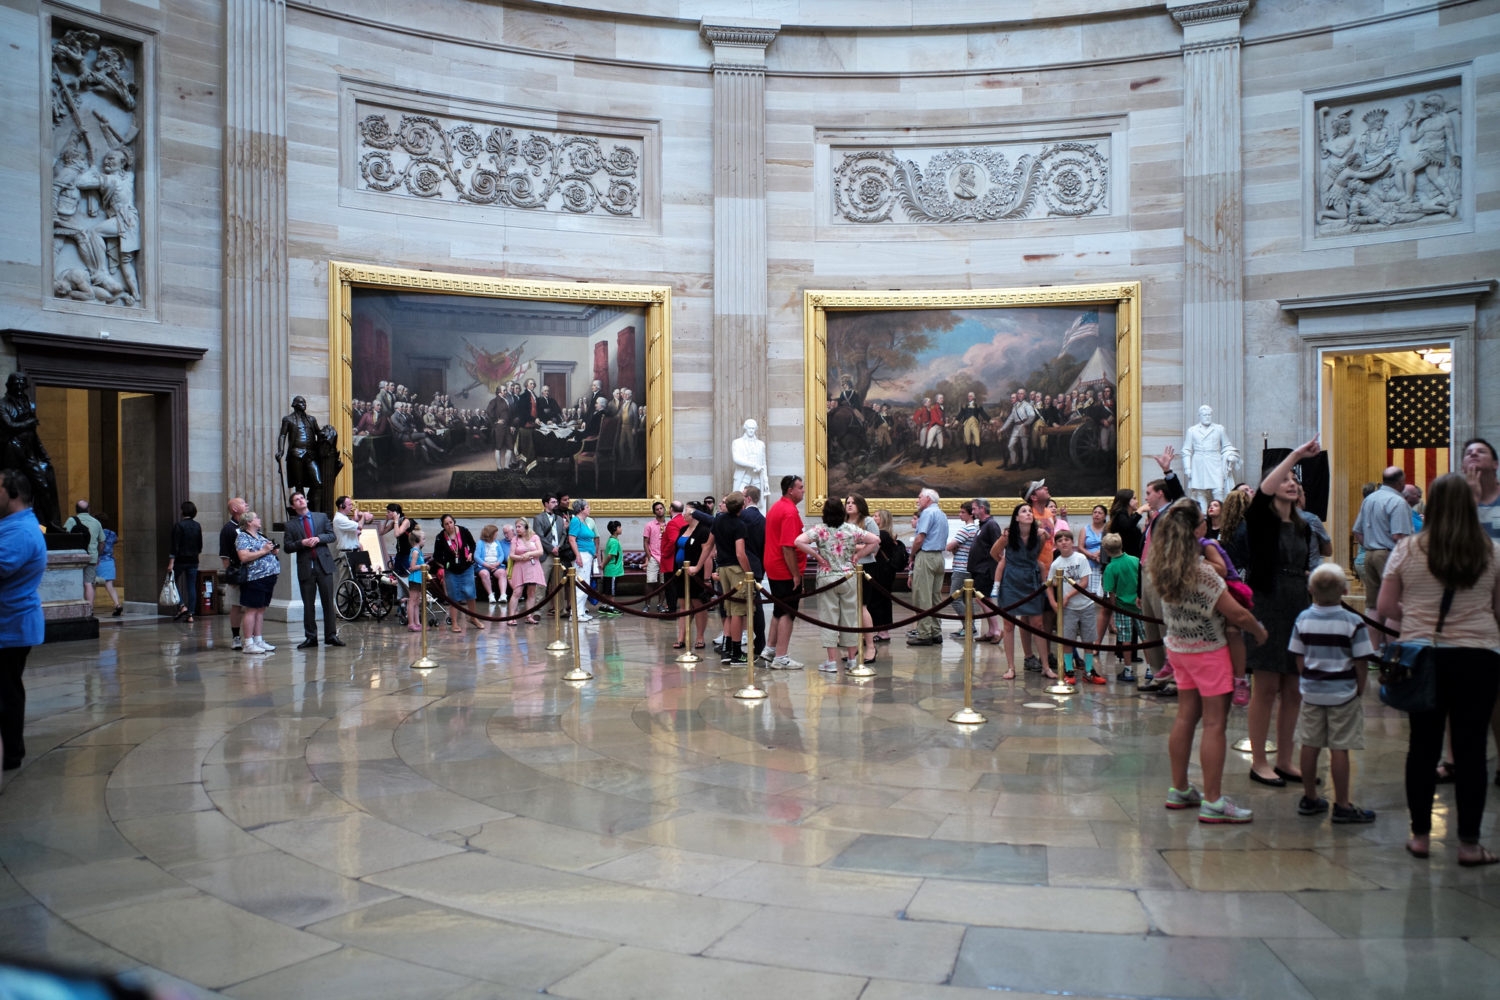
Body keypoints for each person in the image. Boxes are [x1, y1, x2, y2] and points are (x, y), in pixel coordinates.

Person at [1377, 472, 1500, 866]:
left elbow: (1384, 607)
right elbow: (1499, 608)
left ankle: (1420, 836)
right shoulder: (1491, 552)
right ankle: (1468, 844)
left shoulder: (1409, 550)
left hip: (1423, 654)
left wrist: (1415, 617)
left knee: (1422, 748)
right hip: (1477, 656)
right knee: (1471, 749)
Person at [1151, 499, 1269, 824]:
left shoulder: (1163, 568)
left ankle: (1179, 788)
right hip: (1208, 650)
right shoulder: (1201, 572)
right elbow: (1236, 613)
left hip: (1179, 648)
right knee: (1215, 723)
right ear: (1198, 529)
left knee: (1185, 717)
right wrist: (1258, 631)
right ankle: (1214, 800)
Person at [1244, 438, 1320, 787]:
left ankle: (1286, 760)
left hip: (1298, 605)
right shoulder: (1262, 519)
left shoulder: (1303, 525)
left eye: (1296, 480)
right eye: (1285, 478)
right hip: (1269, 602)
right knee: (1267, 686)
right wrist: (1295, 456)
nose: (1292, 483)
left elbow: (1305, 566)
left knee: (1294, 688)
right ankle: (1260, 761)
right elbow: (1262, 491)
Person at [1289, 563, 1377, 823]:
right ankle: (1342, 804)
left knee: (1309, 743)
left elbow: (1298, 656)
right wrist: (1359, 688)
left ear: (1310, 589)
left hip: (1312, 693)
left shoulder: (1303, 619)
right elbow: (1361, 661)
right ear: (1345, 589)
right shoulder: (1353, 621)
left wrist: (1307, 679)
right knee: (1340, 748)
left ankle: (1310, 797)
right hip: (1344, 693)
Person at [796, 497, 878, 672]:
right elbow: (875, 540)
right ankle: (851, 659)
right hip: (848, 576)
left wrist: (817, 556)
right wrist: (858, 556)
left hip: (827, 576)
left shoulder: (820, 530)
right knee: (850, 617)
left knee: (829, 618)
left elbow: (798, 541)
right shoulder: (851, 529)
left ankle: (832, 661)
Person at [0, 469, 46, 770]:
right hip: (10, 624)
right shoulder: (14, 526)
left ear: (12, 494)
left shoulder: (21, 532)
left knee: (6, 694)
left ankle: (12, 753)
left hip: (10, 627)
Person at [1352, 465, 1413, 635]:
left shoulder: (1369, 499)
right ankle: (1393, 652)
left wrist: (1371, 546)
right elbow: (1399, 536)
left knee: (1373, 606)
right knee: (1396, 602)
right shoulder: (1397, 502)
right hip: (1389, 555)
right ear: (1401, 482)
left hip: (1369, 556)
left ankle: (1374, 649)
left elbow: (1357, 531)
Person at [994, 503, 1049, 679]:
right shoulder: (1008, 535)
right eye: (1023, 511)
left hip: (1030, 580)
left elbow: (1035, 555)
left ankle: (1046, 666)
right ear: (1016, 518)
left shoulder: (1039, 536)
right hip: (1011, 581)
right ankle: (1011, 667)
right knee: (1009, 624)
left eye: (1029, 511)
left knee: (1038, 624)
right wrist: (1008, 563)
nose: (1027, 514)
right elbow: (994, 552)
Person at [0, 373, 61, 529]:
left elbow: (34, 434)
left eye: (22, 384)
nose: (19, 387)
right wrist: (29, 421)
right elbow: (9, 425)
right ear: (9, 386)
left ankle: (51, 523)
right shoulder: (3, 404)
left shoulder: (27, 403)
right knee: (11, 488)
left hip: (28, 451)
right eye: (16, 384)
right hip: (12, 450)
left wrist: (44, 455)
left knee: (43, 485)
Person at [282, 491, 342, 649]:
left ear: (306, 500)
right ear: (293, 506)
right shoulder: (290, 525)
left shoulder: (321, 517)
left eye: (302, 498)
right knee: (308, 605)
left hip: (323, 565)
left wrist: (319, 538)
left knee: (328, 602)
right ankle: (311, 637)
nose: (301, 500)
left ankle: (331, 635)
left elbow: (332, 536)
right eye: (297, 499)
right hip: (306, 567)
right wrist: (302, 543)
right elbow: (287, 547)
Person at [1050, 529, 1105, 684]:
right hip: (1068, 609)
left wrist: (1067, 596)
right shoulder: (1056, 564)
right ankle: (1069, 670)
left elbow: (1084, 582)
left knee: (1088, 640)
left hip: (1085, 605)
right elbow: (1049, 584)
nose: (1064, 542)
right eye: (1060, 540)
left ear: (1072, 542)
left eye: (1067, 539)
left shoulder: (1080, 558)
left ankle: (1089, 670)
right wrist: (1053, 602)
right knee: (1068, 640)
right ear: (1056, 545)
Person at [764, 476, 808, 669]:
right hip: (784, 568)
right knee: (788, 612)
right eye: (800, 487)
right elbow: (788, 547)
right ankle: (781, 657)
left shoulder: (777, 506)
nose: (804, 490)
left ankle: (771, 649)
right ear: (791, 490)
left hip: (773, 564)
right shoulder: (789, 512)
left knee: (779, 609)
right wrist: (796, 574)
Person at [708, 493, 751, 663]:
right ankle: (736, 653)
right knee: (738, 613)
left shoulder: (718, 520)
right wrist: (749, 573)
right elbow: (741, 553)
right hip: (736, 569)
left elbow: (709, 544)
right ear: (742, 507)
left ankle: (728, 650)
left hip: (723, 568)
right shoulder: (739, 525)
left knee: (730, 610)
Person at [234, 510, 280, 655]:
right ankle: (248, 642)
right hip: (255, 578)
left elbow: (266, 550)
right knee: (252, 609)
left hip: (268, 577)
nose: (259, 519)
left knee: (261, 609)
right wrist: (265, 550)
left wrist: (272, 551)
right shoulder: (243, 537)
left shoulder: (259, 536)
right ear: (249, 522)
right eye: (256, 518)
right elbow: (244, 556)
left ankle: (258, 639)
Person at [907, 488, 948, 646]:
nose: (917, 500)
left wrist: (912, 556)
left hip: (926, 556)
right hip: (939, 557)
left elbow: (920, 538)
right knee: (935, 597)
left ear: (928, 499)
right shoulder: (942, 514)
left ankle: (924, 634)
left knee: (922, 595)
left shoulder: (927, 514)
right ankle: (936, 632)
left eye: (919, 497)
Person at [1181, 404, 1241, 506]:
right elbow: (1186, 450)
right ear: (1199, 416)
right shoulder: (1192, 430)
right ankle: (1203, 517)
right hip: (1199, 463)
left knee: (1218, 490)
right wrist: (1188, 468)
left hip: (1215, 462)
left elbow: (1226, 445)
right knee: (1200, 493)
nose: (1207, 417)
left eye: (1209, 415)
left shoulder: (1219, 429)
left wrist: (1230, 455)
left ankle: (1221, 516)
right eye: (1205, 415)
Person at [1100, 533, 1140, 681]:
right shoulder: (1135, 560)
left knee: (1125, 638)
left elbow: (1111, 592)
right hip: (1139, 604)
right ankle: (1151, 669)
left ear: (1106, 549)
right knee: (1146, 637)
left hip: (1122, 607)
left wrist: (1113, 609)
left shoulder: (1111, 568)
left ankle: (1128, 670)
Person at [432, 514, 480, 635]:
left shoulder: (463, 531)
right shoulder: (440, 538)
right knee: (453, 597)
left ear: (454, 522)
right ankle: (454, 623)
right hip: (451, 571)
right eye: (446, 524)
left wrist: (471, 554)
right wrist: (445, 564)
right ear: (443, 526)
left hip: (467, 567)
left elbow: (473, 545)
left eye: (450, 522)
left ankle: (473, 618)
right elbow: (436, 556)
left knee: (471, 594)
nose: (449, 526)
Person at [966, 499, 1004, 645]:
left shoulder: (991, 525)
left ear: (982, 509)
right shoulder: (983, 525)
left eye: (974, 509)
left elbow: (998, 547)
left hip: (986, 569)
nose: (973, 512)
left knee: (983, 599)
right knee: (984, 599)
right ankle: (990, 631)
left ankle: (996, 630)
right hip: (979, 569)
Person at [741, 485, 768, 661]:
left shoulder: (742, 516)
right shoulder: (763, 519)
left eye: (743, 496)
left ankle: (736, 641)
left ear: (748, 499)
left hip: (743, 566)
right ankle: (760, 642)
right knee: (757, 606)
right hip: (758, 565)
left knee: (741, 606)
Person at [945, 501, 978, 639]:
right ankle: (968, 627)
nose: (960, 515)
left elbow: (949, 546)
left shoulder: (967, 529)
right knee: (966, 600)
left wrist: (953, 547)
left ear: (971, 513)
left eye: (963, 512)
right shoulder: (975, 528)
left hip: (961, 568)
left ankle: (969, 627)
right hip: (968, 567)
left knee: (955, 598)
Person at [218, 497, 248, 647]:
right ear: (235, 509)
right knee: (236, 605)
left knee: (252, 606)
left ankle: (252, 637)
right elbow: (225, 557)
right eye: (243, 503)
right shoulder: (228, 529)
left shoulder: (248, 526)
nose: (246, 505)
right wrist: (231, 576)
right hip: (237, 571)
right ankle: (236, 637)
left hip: (252, 571)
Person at [165, 501, 201, 624]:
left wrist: (171, 562)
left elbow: (175, 546)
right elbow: (200, 546)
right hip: (194, 560)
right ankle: (191, 614)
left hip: (180, 560)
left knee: (172, 582)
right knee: (191, 586)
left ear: (182, 511)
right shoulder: (197, 526)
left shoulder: (179, 526)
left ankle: (181, 605)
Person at [65, 499, 104, 610]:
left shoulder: (71, 521)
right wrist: (98, 555)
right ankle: (89, 608)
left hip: (75, 557)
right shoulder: (96, 522)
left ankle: (76, 607)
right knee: (88, 583)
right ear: (89, 509)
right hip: (91, 556)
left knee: (75, 583)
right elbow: (102, 542)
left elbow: (64, 536)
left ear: (76, 510)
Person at [332, 495, 375, 591]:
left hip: (354, 552)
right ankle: (340, 605)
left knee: (359, 579)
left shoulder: (344, 518)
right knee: (345, 581)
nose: (351, 507)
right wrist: (363, 516)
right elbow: (359, 526)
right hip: (347, 553)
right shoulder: (339, 519)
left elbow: (353, 527)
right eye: (349, 505)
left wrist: (358, 517)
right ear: (342, 506)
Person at [566, 500, 599, 623]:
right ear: (581, 509)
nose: (589, 508)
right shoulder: (575, 521)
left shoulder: (584, 521)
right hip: (582, 554)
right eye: (587, 507)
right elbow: (572, 539)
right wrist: (578, 556)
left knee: (585, 583)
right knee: (580, 584)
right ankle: (575, 613)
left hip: (588, 555)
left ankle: (581, 611)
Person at [508, 519, 545, 625]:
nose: (517, 529)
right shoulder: (515, 539)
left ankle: (529, 616)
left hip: (533, 566)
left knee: (531, 592)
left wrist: (529, 554)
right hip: (520, 566)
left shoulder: (534, 537)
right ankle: (512, 617)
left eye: (519, 526)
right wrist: (521, 557)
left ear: (526, 527)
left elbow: (540, 551)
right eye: (516, 527)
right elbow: (511, 555)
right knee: (517, 592)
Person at [731, 419, 769, 507]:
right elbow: (736, 459)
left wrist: (766, 481)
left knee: (759, 504)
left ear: (755, 429)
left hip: (757, 478)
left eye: (753, 428)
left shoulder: (761, 444)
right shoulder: (737, 442)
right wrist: (754, 465)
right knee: (737, 501)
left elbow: (763, 464)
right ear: (745, 428)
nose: (751, 430)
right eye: (749, 428)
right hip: (743, 477)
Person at [94, 514, 121, 616]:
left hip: (99, 561)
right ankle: (117, 604)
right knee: (109, 585)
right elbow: (116, 540)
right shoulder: (112, 533)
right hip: (110, 561)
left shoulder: (97, 533)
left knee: (93, 585)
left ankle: (90, 607)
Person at [643, 500, 667, 613]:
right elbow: (645, 542)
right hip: (654, 556)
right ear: (654, 512)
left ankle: (660, 604)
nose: (659, 510)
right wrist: (649, 556)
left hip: (665, 557)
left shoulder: (669, 524)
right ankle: (647, 605)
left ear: (664, 509)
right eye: (657, 509)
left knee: (663, 583)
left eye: (661, 508)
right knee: (650, 581)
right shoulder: (649, 525)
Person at [475, 524, 506, 606]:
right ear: (490, 534)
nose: (497, 534)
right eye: (495, 533)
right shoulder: (480, 543)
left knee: (502, 572)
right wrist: (487, 565)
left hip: (496, 564)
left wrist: (497, 563)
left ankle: (503, 595)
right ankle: (491, 595)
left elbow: (501, 555)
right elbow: (476, 557)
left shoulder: (497, 543)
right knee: (484, 574)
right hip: (483, 565)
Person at [404, 526, 427, 632]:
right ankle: (411, 623)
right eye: (424, 539)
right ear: (418, 540)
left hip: (419, 578)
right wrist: (423, 566)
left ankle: (417, 622)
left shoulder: (419, 551)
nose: (425, 541)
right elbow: (412, 567)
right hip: (414, 578)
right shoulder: (415, 552)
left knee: (417, 601)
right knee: (412, 601)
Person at [600, 520, 624, 616]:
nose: (621, 529)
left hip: (609, 570)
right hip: (613, 570)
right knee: (612, 590)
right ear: (615, 529)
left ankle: (604, 606)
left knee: (607, 589)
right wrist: (603, 564)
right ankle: (611, 608)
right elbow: (610, 555)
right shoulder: (614, 542)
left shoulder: (611, 540)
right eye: (619, 527)